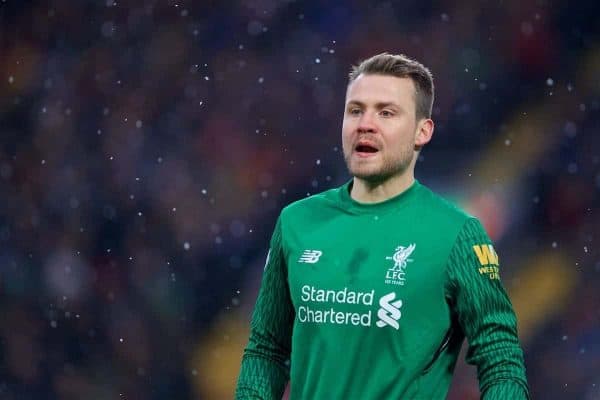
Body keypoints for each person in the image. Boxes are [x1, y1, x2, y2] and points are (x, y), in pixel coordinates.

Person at [235, 53, 529, 399]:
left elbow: (501, 359)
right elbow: (267, 349)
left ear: (423, 131)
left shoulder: (456, 235)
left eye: (386, 112)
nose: (365, 124)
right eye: (355, 110)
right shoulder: (297, 222)